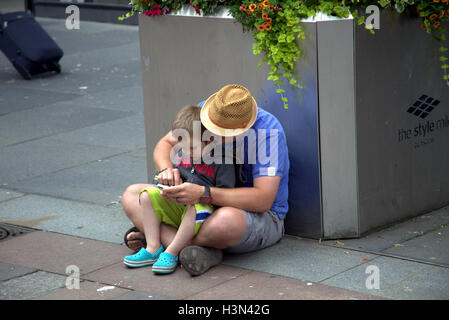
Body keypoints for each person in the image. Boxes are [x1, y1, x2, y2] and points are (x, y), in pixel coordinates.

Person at [122, 84, 290, 276]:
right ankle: (193, 249)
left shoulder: (268, 133)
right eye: (211, 127)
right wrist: (167, 170)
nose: (211, 135)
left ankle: (161, 241)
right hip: (195, 206)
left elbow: (262, 200)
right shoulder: (206, 113)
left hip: (255, 216)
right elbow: (166, 143)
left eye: (219, 131)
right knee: (131, 195)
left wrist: (204, 194)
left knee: (225, 221)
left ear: (243, 126)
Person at [123, 105, 238, 274]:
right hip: (178, 204)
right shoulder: (182, 153)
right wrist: (165, 179)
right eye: (182, 147)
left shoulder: (222, 161)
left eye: (192, 148)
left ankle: (171, 252)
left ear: (210, 140)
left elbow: (223, 196)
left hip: (201, 210)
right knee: (147, 195)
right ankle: (153, 248)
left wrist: (200, 195)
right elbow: (159, 181)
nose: (186, 152)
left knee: (192, 208)